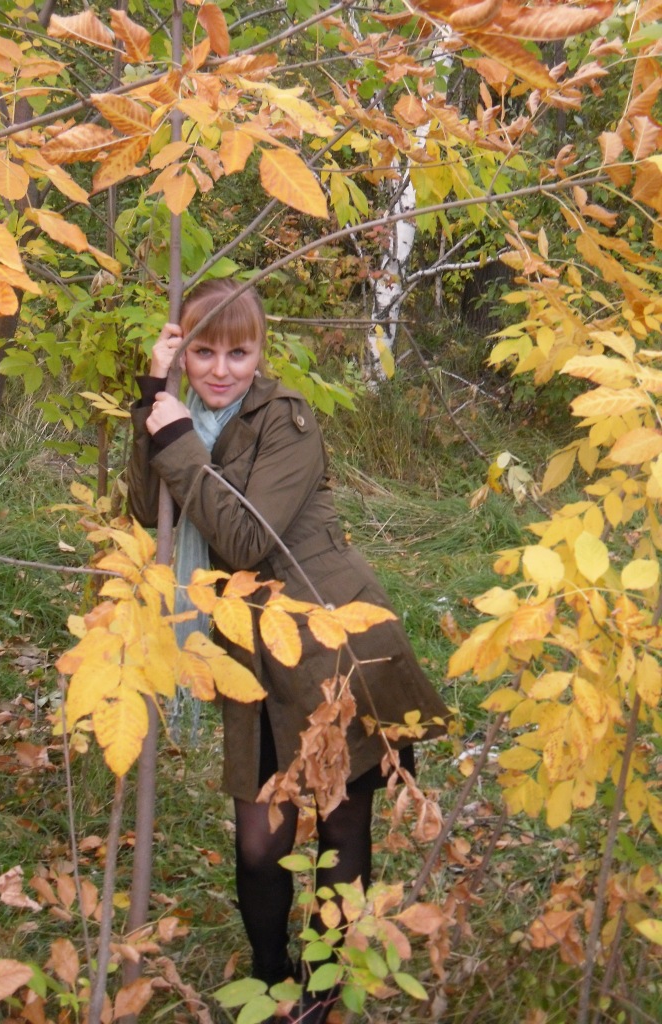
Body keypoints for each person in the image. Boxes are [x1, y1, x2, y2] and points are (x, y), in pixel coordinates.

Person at [126, 279, 449, 1023]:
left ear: (260, 353)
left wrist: (175, 439)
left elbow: (245, 538)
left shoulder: (288, 421)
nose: (220, 370)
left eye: (238, 353)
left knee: (341, 823)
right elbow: (148, 510)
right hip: (248, 651)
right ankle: (272, 979)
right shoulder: (180, 413)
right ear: (183, 351)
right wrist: (152, 401)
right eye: (203, 352)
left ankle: (325, 986)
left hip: (329, 638)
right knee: (258, 842)